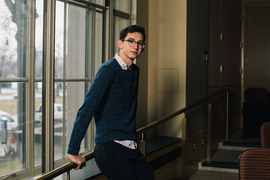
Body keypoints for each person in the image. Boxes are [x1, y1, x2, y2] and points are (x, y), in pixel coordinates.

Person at [67, 25, 155, 180]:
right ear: (120, 43)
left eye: (140, 43)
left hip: (131, 146)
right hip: (111, 147)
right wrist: (73, 150)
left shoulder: (135, 71)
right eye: (131, 41)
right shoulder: (108, 69)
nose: (136, 46)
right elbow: (87, 108)